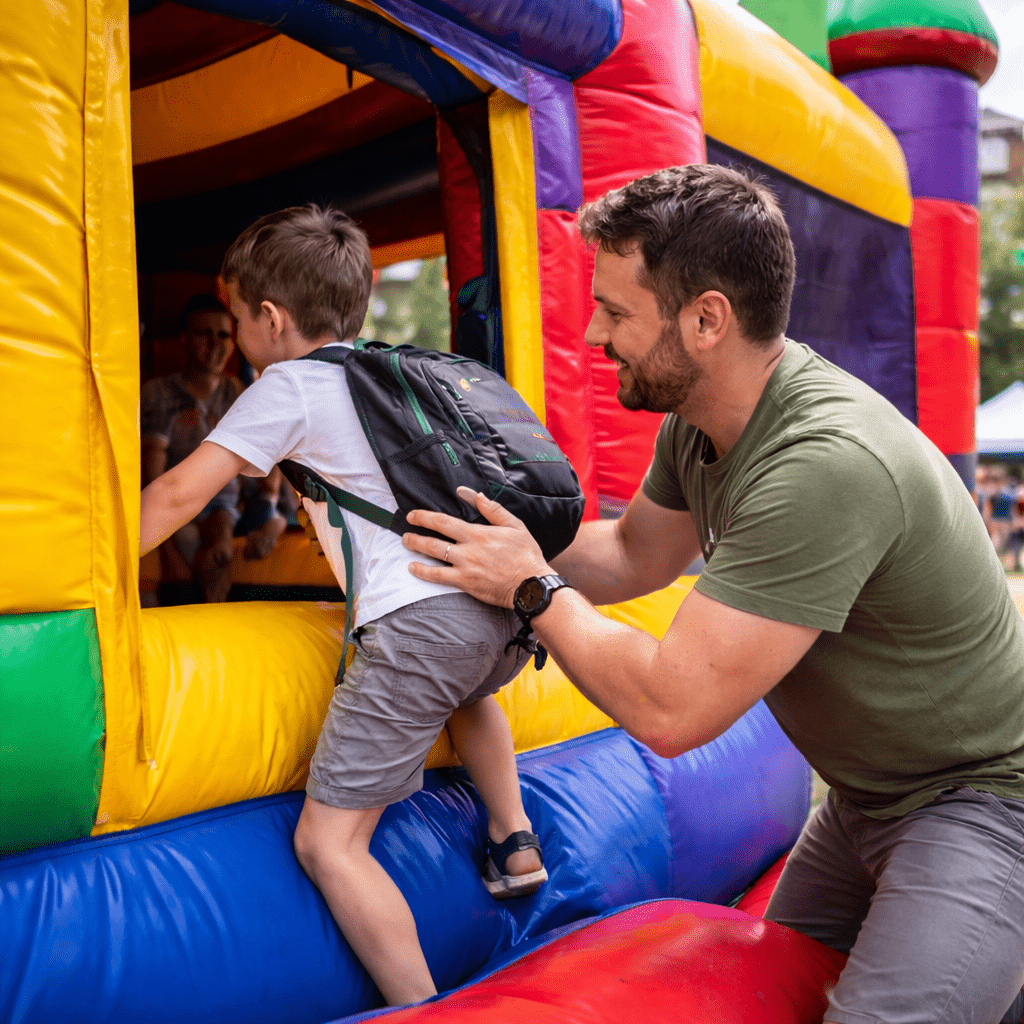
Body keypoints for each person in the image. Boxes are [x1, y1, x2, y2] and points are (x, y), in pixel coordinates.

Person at [401, 165, 1024, 1024]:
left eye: (616, 311)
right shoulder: (701, 427)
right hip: (868, 797)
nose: (590, 332)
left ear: (706, 320)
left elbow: (670, 710)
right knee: (765, 993)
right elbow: (627, 557)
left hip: (987, 802)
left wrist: (534, 587)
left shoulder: (821, 464)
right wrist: (471, 535)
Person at [138, 205, 546, 1007]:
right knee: (464, 697)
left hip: (422, 625)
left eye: (235, 319)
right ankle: (514, 836)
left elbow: (181, 492)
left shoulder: (288, 382)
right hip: (499, 612)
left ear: (268, 318)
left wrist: (87, 573)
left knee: (329, 844)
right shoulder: (390, 371)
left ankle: (423, 1006)